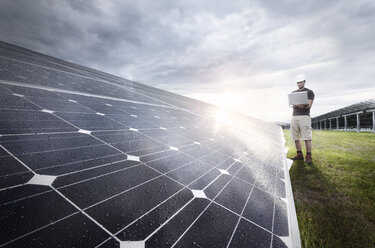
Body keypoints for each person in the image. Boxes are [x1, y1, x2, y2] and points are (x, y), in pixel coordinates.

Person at [290, 74, 315, 163]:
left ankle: (308, 156)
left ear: (304, 82)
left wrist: (300, 106)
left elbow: (308, 105)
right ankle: (299, 154)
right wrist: (298, 105)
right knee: (295, 136)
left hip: (304, 117)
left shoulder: (309, 92)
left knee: (306, 137)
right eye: (298, 83)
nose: (299, 84)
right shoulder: (293, 93)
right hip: (294, 116)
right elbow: (292, 105)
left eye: (301, 82)